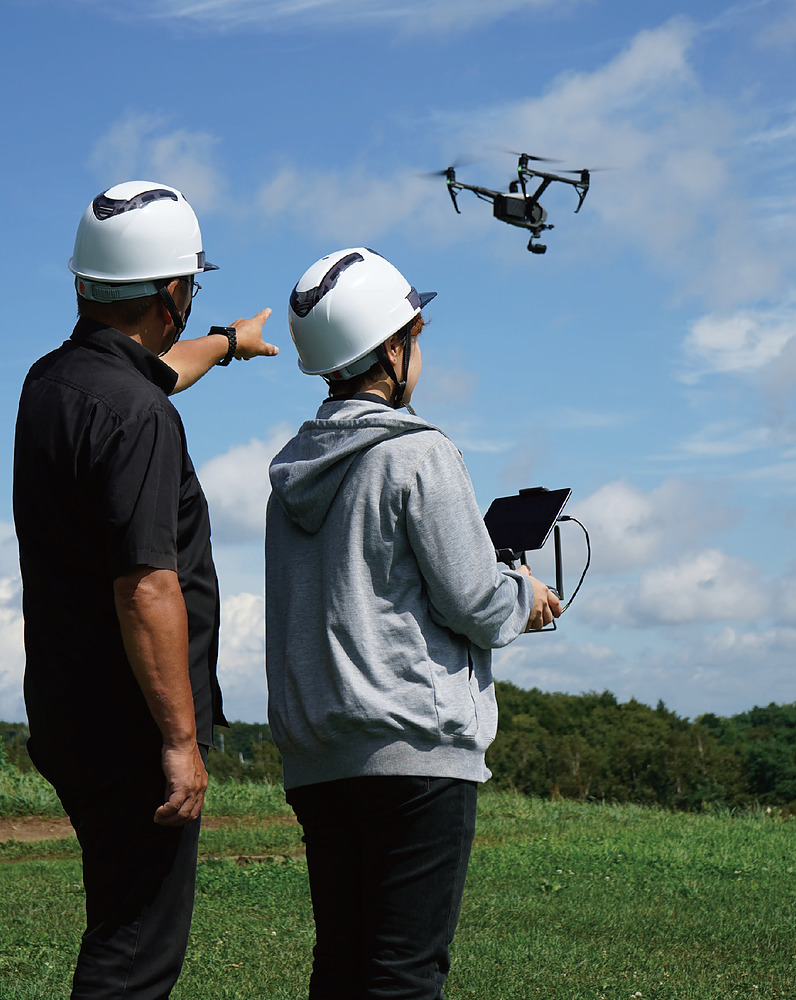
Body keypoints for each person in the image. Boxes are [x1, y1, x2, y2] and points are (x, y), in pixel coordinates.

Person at [264, 247, 561, 999]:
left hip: (320, 761)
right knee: (403, 973)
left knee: (341, 965)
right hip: (415, 754)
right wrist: (524, 596)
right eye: (414, 338)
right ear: (391, 350)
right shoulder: (420, 453)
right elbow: (472, 603)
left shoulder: (289, 472)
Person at [12, 180, 278, 999]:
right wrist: (179, 741)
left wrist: (228, 342)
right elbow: (146, 587)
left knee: (118, 921)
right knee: (135, 951)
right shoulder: (139, 418)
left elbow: (154, 373)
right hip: (131, 725)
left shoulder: (55, 382)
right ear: (171, 291)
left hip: (68, 709)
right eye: (190, 286)